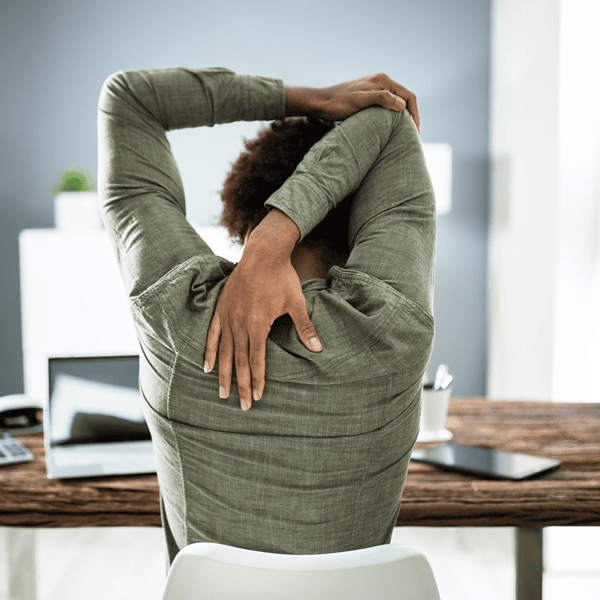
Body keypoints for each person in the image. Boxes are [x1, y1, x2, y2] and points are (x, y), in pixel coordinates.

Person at [97, 66, 436, 565]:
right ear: (365, 217)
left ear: (245, 217)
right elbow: (391, 116)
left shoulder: (174, 310)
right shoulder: (390, 324)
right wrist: (283, 228)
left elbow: (131, 98)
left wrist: (313, 99)